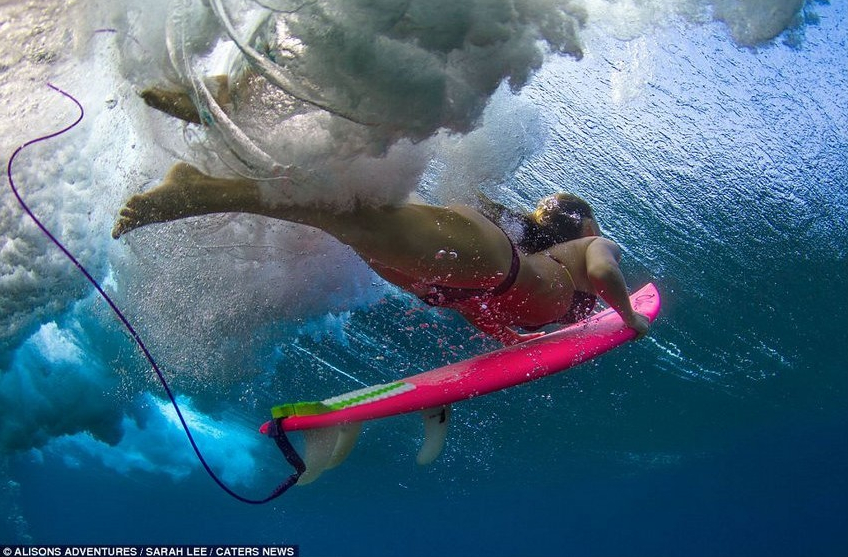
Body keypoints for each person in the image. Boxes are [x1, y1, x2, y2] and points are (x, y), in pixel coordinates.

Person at [112, 160, 651, 345]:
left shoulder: (552, 262)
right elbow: (605, 268)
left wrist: (507, 338)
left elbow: (483, 310)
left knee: (351, 216)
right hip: (485, 266)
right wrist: (627, 318)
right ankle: (198, 188)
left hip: (458, 285)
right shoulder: (590, 247)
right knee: (343, 214)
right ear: (582, 222)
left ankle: (252, 142)